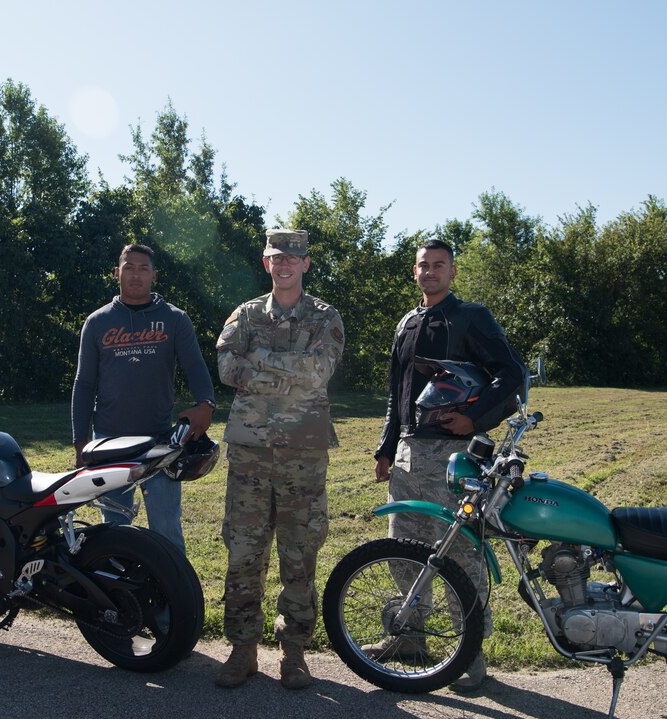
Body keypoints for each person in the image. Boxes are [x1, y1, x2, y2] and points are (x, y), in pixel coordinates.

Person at [370, 238, 526, 691]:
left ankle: (470, 654)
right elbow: (396, 393)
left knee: (459, 555)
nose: (430, 271)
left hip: (456, 458)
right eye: (423, 265)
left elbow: (511, 375)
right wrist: (386, 447)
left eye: (439, 265)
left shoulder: (471, 317)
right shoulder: (408, 321)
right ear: (414, 272)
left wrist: (474, 418)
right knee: (403, 546)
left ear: (452, 272)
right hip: (408, 454)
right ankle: (410, 639)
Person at [214, 228, 344, 690]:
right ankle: (242, 650)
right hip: (250, 453)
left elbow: (319, 371)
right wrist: (287, 370)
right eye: (276, 257)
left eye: (293, 258)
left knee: (299, 553)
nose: (284, 264)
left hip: (303, 455)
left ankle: (294, 654)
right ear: (266, 263)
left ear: (305, 263)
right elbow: (228, 367)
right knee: (244, 552)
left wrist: (262, 360)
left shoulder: (326, 316)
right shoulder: (246, 314)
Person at [71, 243, 215, 554]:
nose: (136, 274)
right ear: (116, 273)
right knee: (115, 530)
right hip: (109, 441)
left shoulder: (174, 319)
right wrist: (80, 441)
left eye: (143, 268)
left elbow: (196, 368)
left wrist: (206, 403)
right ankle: (123, 596)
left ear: (154, 275)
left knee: (166, 528)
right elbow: (83, 384)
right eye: (129, 267)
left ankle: (175, 598)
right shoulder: (98, 322)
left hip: (161, 441)